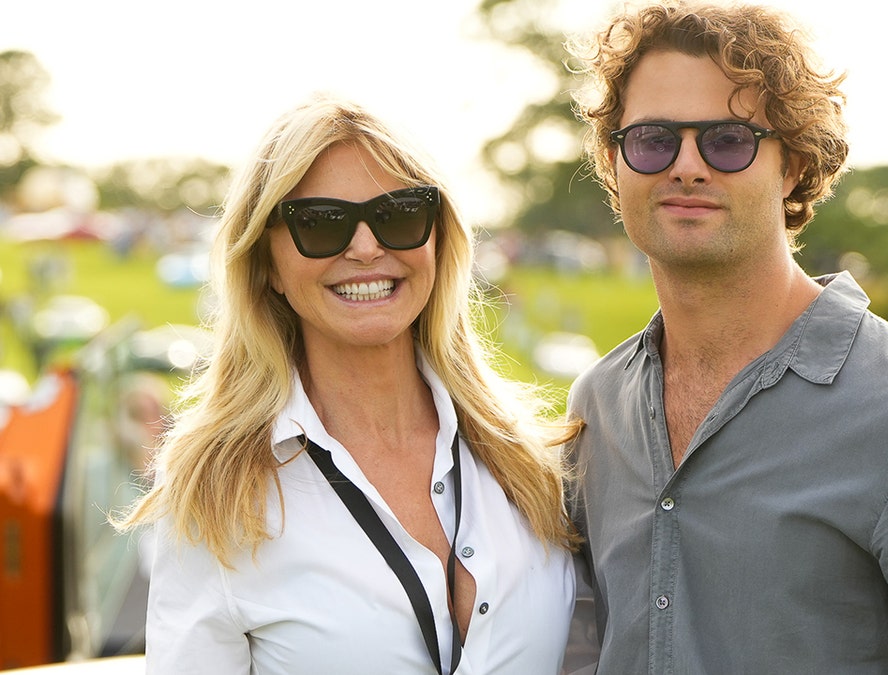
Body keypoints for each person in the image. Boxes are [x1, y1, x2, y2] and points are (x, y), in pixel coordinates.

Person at [563, 2, 888, 672]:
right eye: (655, 139)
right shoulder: (597, 409)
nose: (686, 166)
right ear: (615, 161)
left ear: (794, 166)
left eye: (728, 139)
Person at [114, 96, 580, 674]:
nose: (366, 248)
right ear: (268, 267)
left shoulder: (532, 463)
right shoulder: (217, 492)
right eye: (321, 222)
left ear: (438, 240)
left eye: (401, 214)